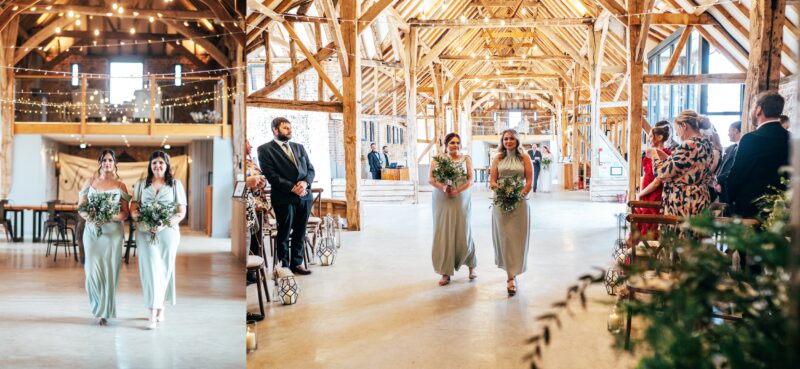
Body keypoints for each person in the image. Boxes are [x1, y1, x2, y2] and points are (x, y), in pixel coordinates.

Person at [130, 151, 187, 330]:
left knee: (164, 270)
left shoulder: (176, 184)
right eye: (154, 163)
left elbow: (181, 212)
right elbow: (134, 209)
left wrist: (163, 224)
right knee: (151, 270)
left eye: (161, 163)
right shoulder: (141, 184)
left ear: (167, 165)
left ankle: (160, 306)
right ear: (150, 165)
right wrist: (143, 222)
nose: (158, 166)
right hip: (145, 233)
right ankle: (152, 313)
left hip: (168, 233)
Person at [78, 149, 130, 326]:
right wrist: (92, 218)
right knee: (91, 271)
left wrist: (107, 217)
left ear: (115, 163)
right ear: (100, 162)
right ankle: (96, 305)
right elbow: (81, 208)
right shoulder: (90, 182)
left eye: (111, 160)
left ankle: (105, 311)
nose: (107, 163)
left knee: (109, 271)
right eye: (104, 160)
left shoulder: (120, 185)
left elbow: (125, 213)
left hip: (112, 234)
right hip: (92, 232)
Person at [257, 117, 315, 275]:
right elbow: (271, 175)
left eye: (290, 128)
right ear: (275, 130)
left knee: (300, 231)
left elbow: (310, 169)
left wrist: (305, 184)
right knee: (284, 231)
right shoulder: (264, 149)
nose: (290, 131)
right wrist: (292, 188)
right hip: (284, 197)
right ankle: (284, 266)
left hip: (304, 196)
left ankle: (297, 263)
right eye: (285, 128)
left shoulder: (299, 147)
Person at [728, 91, 789, 219]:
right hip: (781, 210)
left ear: (758, 110)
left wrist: (731, 198)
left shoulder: (751, 139)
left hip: (751, 210)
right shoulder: (791, 138)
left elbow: (737, 174)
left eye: (752, 107)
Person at [429, 133, 477, 286]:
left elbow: (471, 179)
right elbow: (431, 179)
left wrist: (457, 191)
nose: (455, 146)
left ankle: (471, 266)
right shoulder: (437, 159)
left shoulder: (466, 159)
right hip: (442, 199)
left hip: (461, 198)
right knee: (443, 232)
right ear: (446, 144)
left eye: (457, 143)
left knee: (464, 230)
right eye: (452, 143)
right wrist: (444, 187)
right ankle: (445, 272)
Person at [651, 110, 717, 218]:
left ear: (684, 125)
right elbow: (686, 169)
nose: (677, 134)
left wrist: (654, 154)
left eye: (677, 130)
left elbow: (661, 173)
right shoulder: (707, 144)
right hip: (700, 199)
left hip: (684, 203)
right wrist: (667, 158)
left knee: (682, 234)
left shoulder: (689, 145)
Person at [490, 129, 533, 296]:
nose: (508, 141)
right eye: (506, 139)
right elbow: (492, 180)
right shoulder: (498, 158)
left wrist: (518, 196)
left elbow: (529, 181)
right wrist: (502, 192)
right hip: (500, 201)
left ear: (517, 141)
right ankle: (510, 277)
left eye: (512, 139)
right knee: (505, 237)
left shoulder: (525, 158)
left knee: (518, 237)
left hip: (520, 202)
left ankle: (515, 270)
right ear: (502, 141)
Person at [635, 123, 672, 235]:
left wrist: (640, 193)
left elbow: (657, 182)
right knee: (642, 223)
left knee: (650, 225)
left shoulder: (665, 154)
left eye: (651, 136)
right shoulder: (649, 152)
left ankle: (650, 249)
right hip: (646, 191)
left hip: (654, 194)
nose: (649, 139)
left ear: (660, 137)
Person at [244, 138, 267, 285]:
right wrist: (249, 183)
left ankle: (253, 270)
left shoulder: (252, 162)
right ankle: (248, 271)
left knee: (255, 240)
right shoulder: (237, 162)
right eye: (247, 143)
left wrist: (259, 184)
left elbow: (260, 178)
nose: (251, 145)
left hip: (256, 204)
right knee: (248, 239)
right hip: (246, 206)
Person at [715, 121, 741, 211]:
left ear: (736, 131)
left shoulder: (742, 148)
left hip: (731, 189)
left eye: (729, 131)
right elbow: (723, 166)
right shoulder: (731, 148)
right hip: (722, 189)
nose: (728, 134)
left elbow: (734, 169)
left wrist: (717, 180)